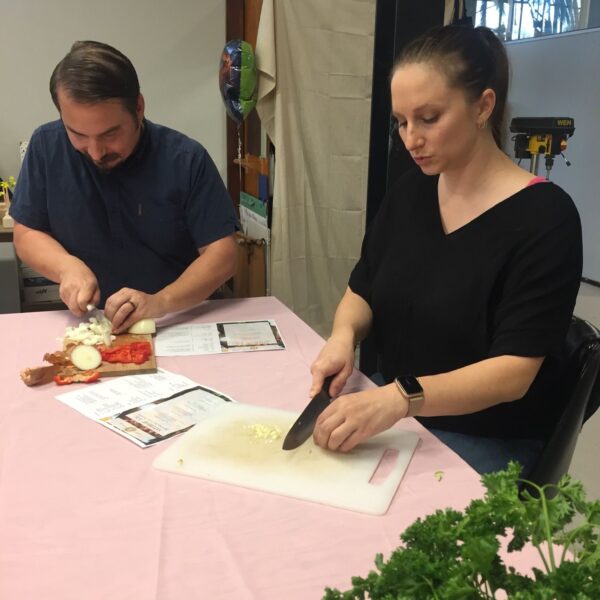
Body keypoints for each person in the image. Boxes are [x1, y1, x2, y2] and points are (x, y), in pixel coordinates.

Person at [309, 25, 583, 475]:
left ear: (483, 106)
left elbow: (513, 373)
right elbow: (362, 290)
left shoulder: (545, 218)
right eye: (401, 121)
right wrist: (342, 338)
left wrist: (401, 398)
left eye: (429, 118)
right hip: (395, 408)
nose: (410, 138)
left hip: (485, 435)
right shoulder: (410, 194)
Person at [10, 41, 239, 332]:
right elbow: (27, 232)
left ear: (139, 108)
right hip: (90, 324)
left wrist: (161, 302)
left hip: (176, 320)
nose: (95, 152)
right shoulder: (46, 146)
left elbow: (224, 254)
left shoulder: (185, 159)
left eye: (110, 134)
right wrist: (66, 266)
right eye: (78, 134)